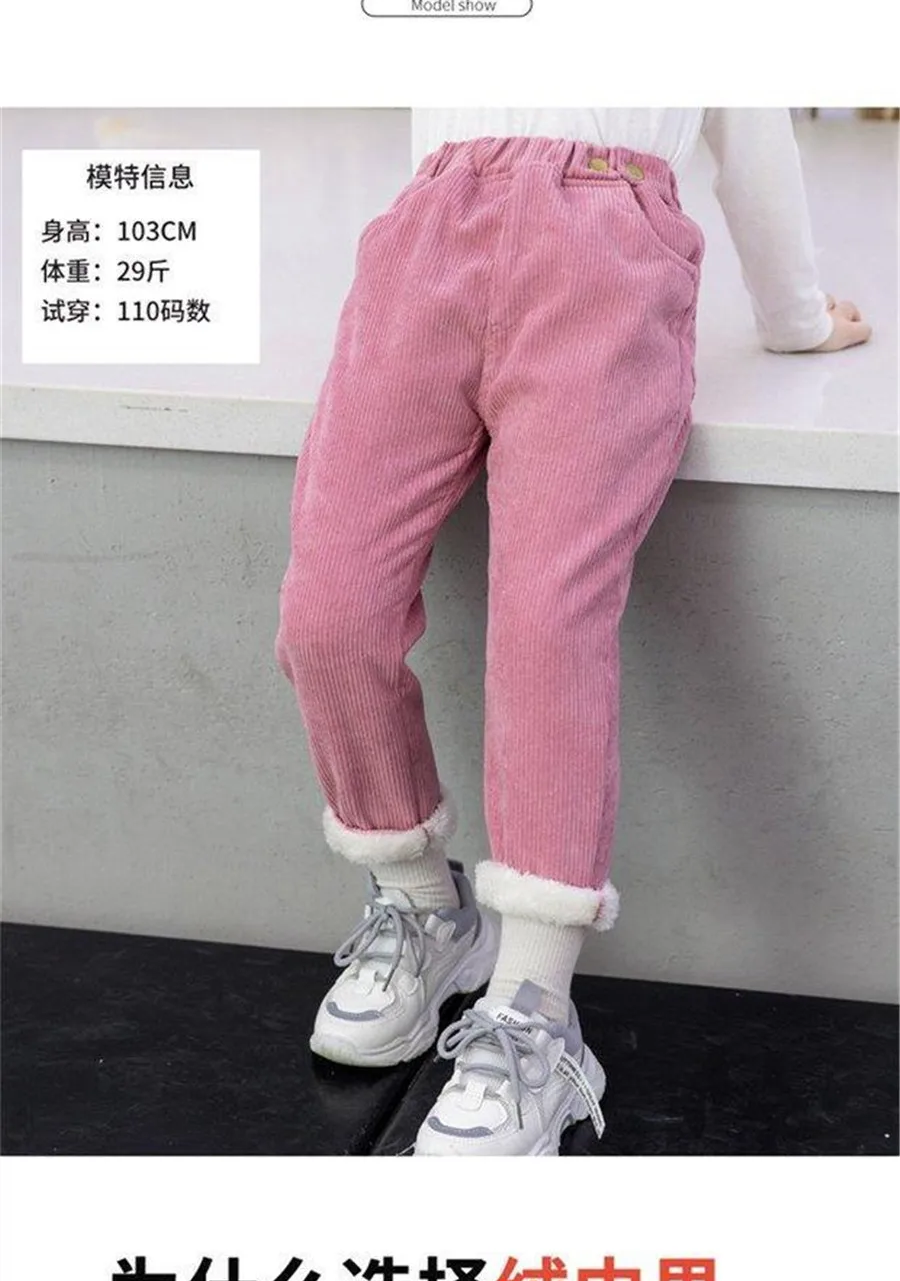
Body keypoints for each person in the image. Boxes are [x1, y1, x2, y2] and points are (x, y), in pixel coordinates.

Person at [276, 109, 871, 1156]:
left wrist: (795, 317)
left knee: (550, 622)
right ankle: (423, 906)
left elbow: (754, 138)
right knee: (329, 610)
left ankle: (535, 1007)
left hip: (605, 239)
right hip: (430, 230)